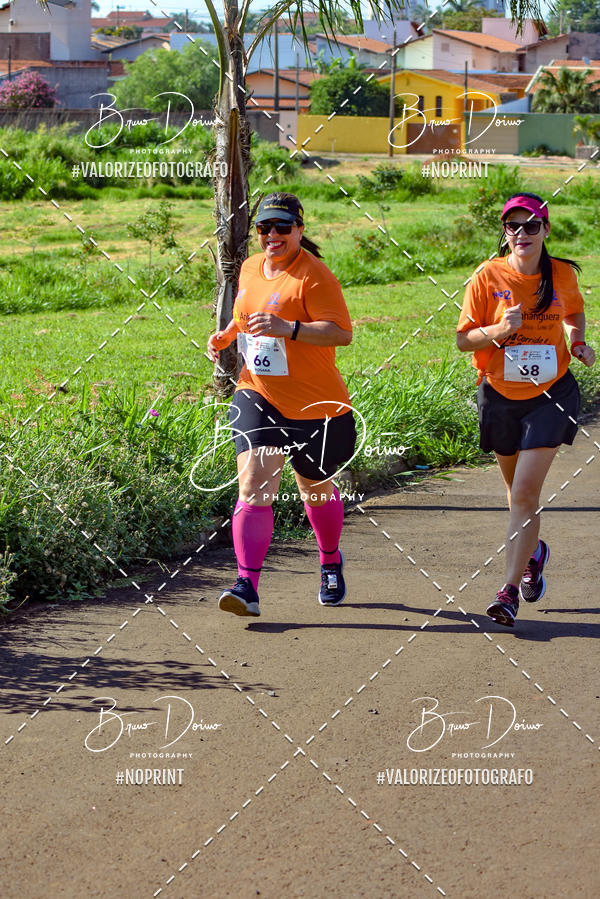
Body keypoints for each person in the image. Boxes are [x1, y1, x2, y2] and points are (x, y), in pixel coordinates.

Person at [207, 192, 356, 617]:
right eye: (264, 228)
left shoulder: (315, 277)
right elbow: (247, 313)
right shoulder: (252, 268)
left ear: (299, 230)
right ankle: (246, 586)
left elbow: (341, 332)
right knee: (254, 486)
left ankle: (329, 559)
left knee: (316, 490)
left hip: (316, 407)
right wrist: (226, 336)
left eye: (282, 228)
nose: (272, 235)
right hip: (259, 393)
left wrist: (288, 328)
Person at [456, 192, 595, 627]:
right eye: (513, 226)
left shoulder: (562, 275)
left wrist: (576, 342)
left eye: (531, 225)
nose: (521, 234)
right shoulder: (486, 276)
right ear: (505, 233)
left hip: (551, 396)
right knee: (517, 495)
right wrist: (500, 329)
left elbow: (573, 312)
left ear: (545, 230)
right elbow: (463, 340)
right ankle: (535, 552)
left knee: (524, 495)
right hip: (499, 396)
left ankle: (508, 592)